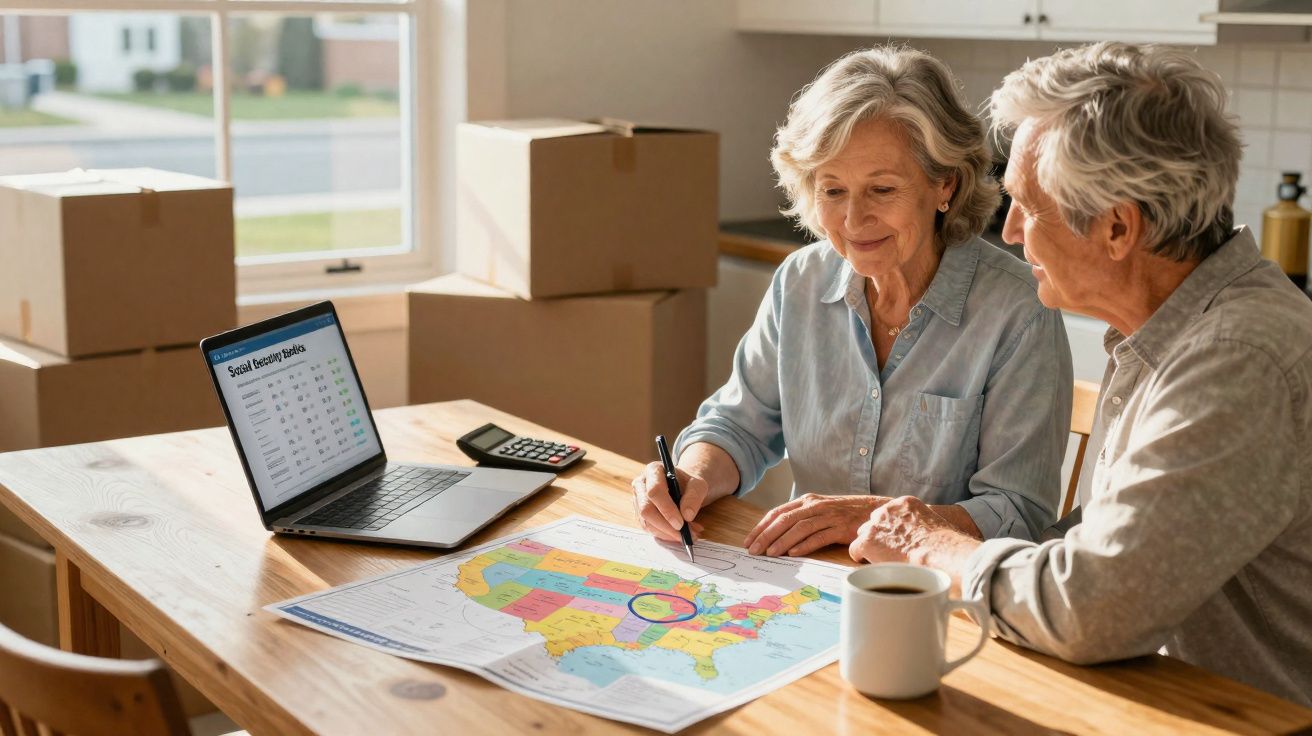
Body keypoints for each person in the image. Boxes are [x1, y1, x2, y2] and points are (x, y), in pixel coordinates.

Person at [848, 42, 1312, 707]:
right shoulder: (1172, 325)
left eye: (1027, 208)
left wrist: (930, 548)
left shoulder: (1237, 357)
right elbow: (1119, 542)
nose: (1008, 232)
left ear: (1118, 228)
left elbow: (1092, 606)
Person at [629, 45, 1072, 558]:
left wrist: (866, 516)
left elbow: (1017, 513)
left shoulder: (1018, 311)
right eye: (832, 190)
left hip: (933, 600)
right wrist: (691, 476)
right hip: (807, 583)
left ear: (944, 184)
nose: (852, 221)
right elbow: (737, 426)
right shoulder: (800, 281)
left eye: (881, 190)